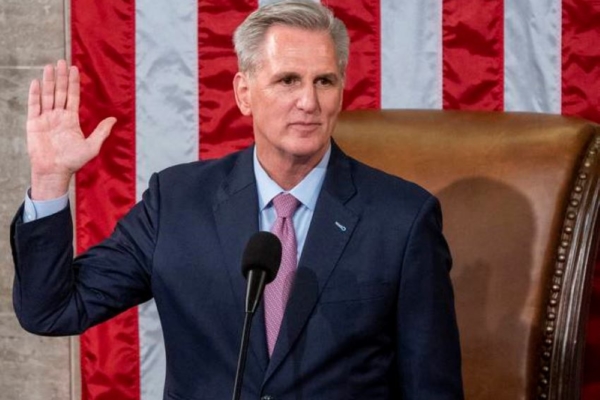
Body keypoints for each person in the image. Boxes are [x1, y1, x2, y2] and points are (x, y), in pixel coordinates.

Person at [11, 1, 463, 398]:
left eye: (324, 81)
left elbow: (431, 387)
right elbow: (52, 310)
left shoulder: (402, 219)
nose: (308, 101)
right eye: (288, 80)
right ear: (244, 94)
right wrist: (50, 180)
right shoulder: (177, 203)